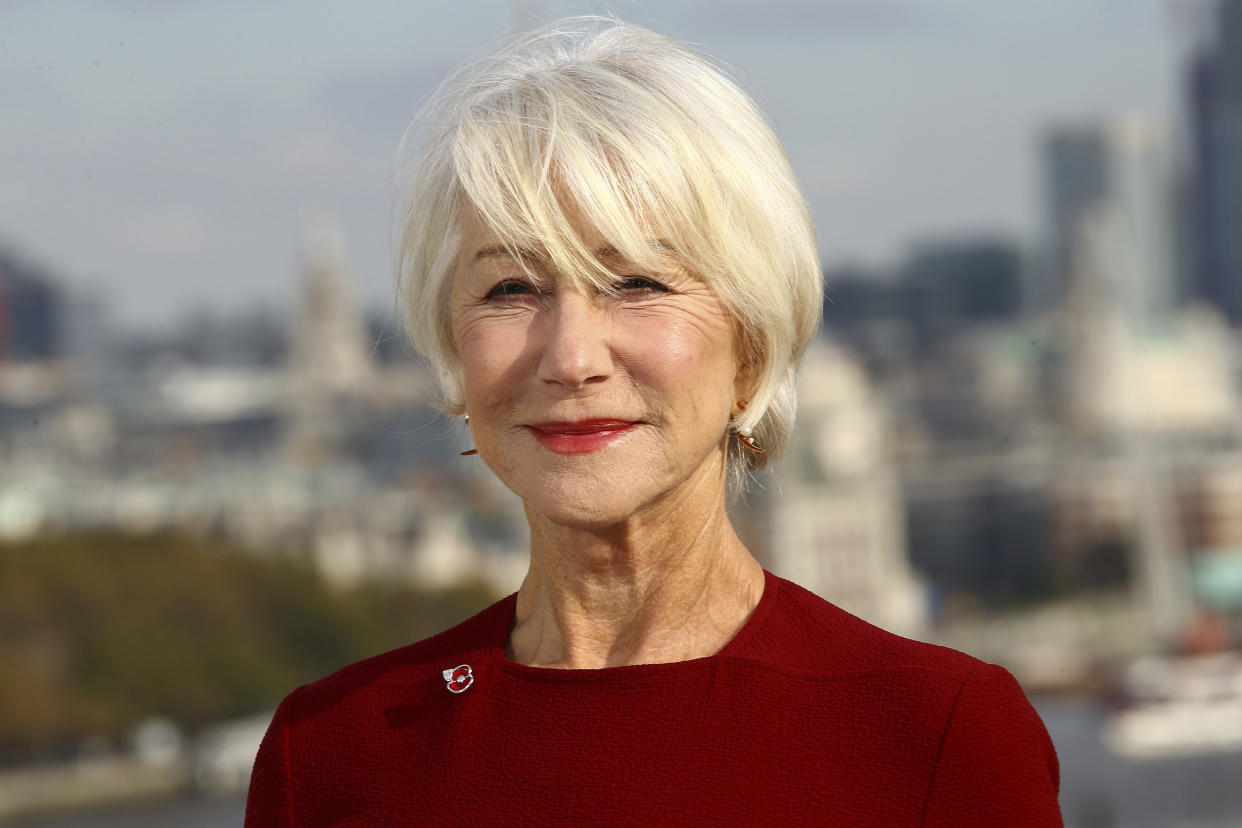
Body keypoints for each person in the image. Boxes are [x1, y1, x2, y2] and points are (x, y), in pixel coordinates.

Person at [246, 17, 1061, 826]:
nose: (572, 356)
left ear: (751, 348)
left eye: (635, 283)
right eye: (509, 289)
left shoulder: (936, 738)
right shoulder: (327, 754)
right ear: (455, 360)